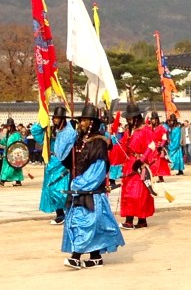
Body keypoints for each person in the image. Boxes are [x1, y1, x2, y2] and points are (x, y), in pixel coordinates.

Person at [61, 104, 125, 269]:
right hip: (79, 189)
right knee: (87, 225)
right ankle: (95, 257)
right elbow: (65, 158)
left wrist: (80, 184)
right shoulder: (78, 140)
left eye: (85, 120)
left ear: (92, 123)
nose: (81, 123)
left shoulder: (99, 142)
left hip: (90, 191)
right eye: (81, 120)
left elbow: (98, 170)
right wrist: (69, 135)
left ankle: (76, 256)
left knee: (84, 223)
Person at [31, 106, 77, 224]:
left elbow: (69, 146)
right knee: (51, 189)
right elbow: (35, 131)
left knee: (60, 189)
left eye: (57, 118)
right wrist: (42, 123)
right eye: (54, 118)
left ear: (62, 119)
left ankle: (64, 214)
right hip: (51, 163)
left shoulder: (68, 131)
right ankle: (59, 213)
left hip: (62, 164)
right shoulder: (50, 131)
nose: (54, 120)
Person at [119, 103, 156, 229]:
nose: (128, 120)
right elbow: (123, 145)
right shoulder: (128, 131)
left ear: (137, 117)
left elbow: (151, 146)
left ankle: (142, 219)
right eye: (127, 118)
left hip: (140, 165)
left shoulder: (145, 130)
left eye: (131, 118)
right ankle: (129, 219)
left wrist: (142, 160)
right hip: (129, 164)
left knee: (139, 193)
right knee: (128, 193)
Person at [0, 118, 24, 186]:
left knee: (12, 168)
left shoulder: (16, 134)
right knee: (10, 167)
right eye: (7, 126)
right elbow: (4, 142)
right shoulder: (9, 134)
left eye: (9, 126)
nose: (8, 127)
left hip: (14, 154)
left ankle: (2, 180)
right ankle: (18, 181)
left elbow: (19, 143)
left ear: (12, 126)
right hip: (7, 153)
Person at [149, 112, 170, 182]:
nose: (152, 121)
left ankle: (160, 178)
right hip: (152, 147)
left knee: (159, 163)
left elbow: (164, 137)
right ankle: (152, 176)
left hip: (158, 147)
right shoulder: (151, 128)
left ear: (157, 120)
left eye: (154, 119)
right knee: (151, 162)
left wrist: (161, 146)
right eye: (152, 119)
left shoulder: (161, 128)